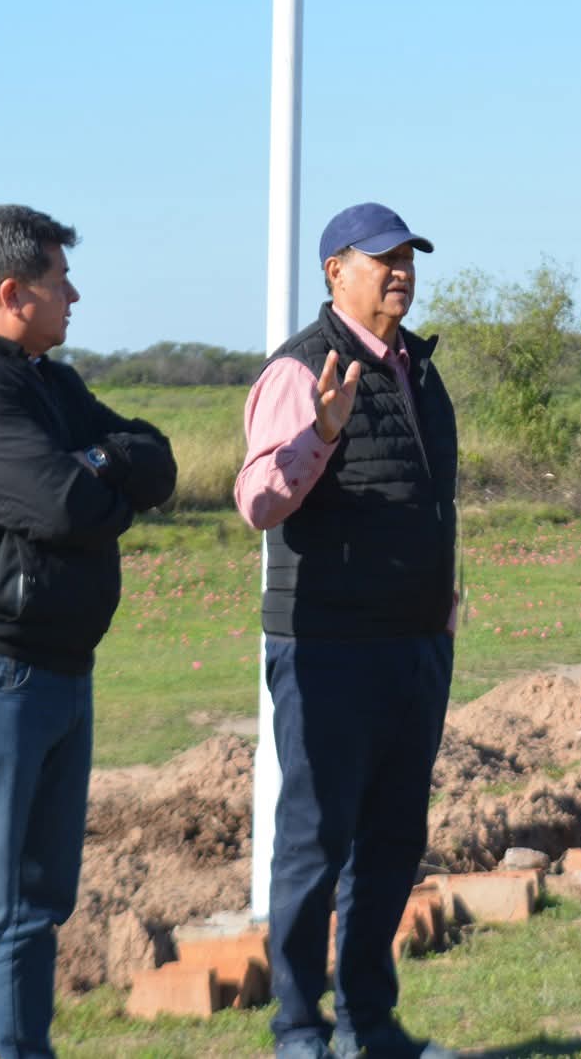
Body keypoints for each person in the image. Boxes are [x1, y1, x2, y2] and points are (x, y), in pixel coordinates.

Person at [0, 205, 176, 1058]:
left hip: (55, 668)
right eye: (63, 280)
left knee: (35, 902)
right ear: (14, 291)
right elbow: (62, 506)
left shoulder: (45, 381)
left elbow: (155, 458)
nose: (75, 296)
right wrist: (96, 480)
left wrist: (100, 462)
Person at [236, 202, 459, 1059]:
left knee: (392, 840)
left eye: (408, 258)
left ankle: (370, 1023)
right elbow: (258, 500)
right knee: (315, 840)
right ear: (335, 270)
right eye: (382, 259)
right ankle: (299, 1026)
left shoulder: (416, 370)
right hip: (328, 648)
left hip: (414, 644)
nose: (401, 272)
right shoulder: (301, 370)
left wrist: (441, 611)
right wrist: (320, 435)